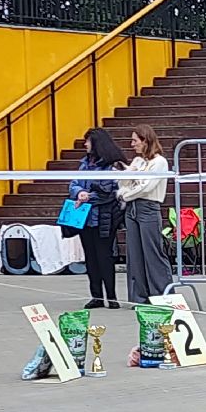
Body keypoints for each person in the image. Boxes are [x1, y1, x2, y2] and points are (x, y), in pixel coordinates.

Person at [68, 127, 125, 309]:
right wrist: (81, 192)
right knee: (90, 257)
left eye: (88, 141)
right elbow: (74, 184)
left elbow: (110, 191)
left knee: (105, 257)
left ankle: (112, 296)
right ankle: (96, 296)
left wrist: (87, 196)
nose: (85, 144)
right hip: (85, 218)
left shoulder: (112, 166)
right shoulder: (84, 164)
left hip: (104, 217)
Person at [117, 124, 171, 305]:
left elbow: (147, 187)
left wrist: (126, 194)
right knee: (134, 254)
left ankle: (162, 295)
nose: (132, 144)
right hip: (132, 208)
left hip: (148, 207)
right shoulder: (138, 162)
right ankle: (139, 297)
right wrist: (128, 175)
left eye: (135, 140)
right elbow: (122, 183)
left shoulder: (160, 162)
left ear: (145, 140)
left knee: (152, 252)